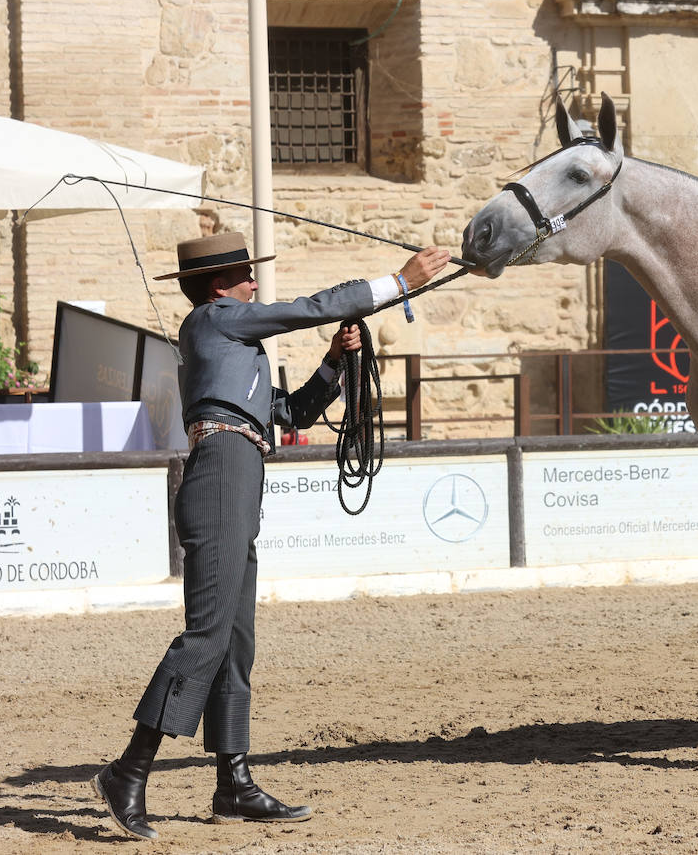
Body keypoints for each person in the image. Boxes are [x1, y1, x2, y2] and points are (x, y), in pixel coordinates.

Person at [93, 231, 451, 840]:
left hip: (240, 472)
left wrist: (334, 362)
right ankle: (128, 770)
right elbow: (309, 308)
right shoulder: (214, 320)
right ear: (219, 286)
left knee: (235, 641)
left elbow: (291, 413)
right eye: (246, 276)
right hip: (222, 471)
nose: (255, 283)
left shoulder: (233, 347)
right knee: (207, 634)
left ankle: (233, 783)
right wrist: (398, 283)